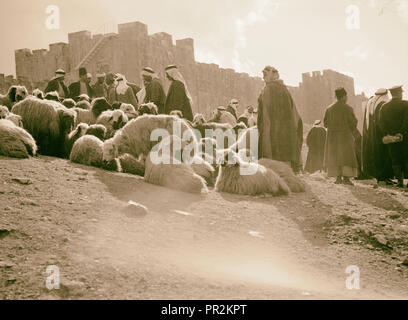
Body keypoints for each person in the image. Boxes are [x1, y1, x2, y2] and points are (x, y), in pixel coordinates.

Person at [257, 66, 302, 171]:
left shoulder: (267, 89)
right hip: (286, 132)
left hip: (273, 131)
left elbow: (264, 113)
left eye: (265, 76)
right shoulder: (285, 90)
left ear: (272, 75)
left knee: (273, 157)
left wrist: (263, 129)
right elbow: (294, 114)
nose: (263, 78)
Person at [323, 87, 358, 185]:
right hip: (345, 136)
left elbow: (325, 123)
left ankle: (338, 178)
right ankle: (346, 178)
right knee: (346, 156)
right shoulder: (348, 108)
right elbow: (353, 123)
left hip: (332, 137)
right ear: (343, 96)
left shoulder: (329, 109)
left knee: (335, 155)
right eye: (346, 96)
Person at [379, 85, 408, 187]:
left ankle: (400, 182)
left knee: (395, 158)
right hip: (405, 137)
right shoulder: (406, 104)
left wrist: (389, 134)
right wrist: (400, 133)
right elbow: (406, 121)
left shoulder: (384, 107)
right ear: (399, 93)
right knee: (406, 157)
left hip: (391, 138)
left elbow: (381, 124)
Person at [362, 88, 392, 183]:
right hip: (380, 133)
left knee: (375, 154)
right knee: (383, 155)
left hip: (371, 134)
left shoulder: (370, 103)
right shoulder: (381, 104)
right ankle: (384, 177)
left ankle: (378, 176)